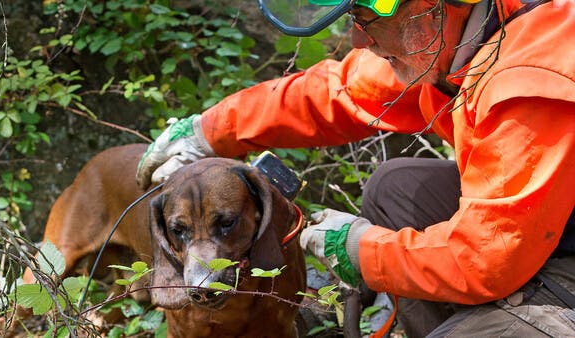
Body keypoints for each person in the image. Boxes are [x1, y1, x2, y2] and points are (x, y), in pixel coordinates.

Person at [136, 0, 575, 336]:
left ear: (430, 8)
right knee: (395, 188)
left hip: (553, 251)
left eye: (367, 21)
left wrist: (364, 251)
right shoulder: (454, 37)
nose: (359, 41)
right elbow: (341, 91)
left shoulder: (531, 80)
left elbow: (485, 258)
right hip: (546, 224)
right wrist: (208, 130)